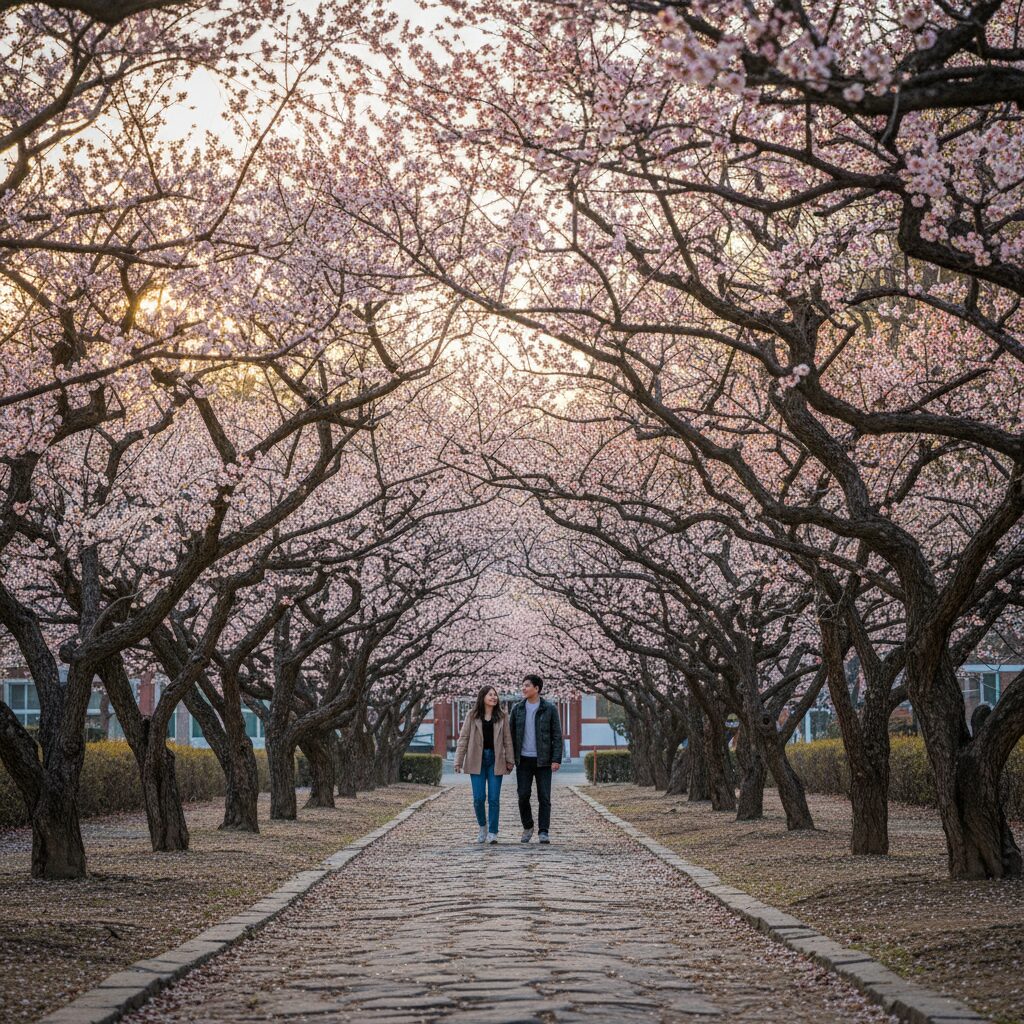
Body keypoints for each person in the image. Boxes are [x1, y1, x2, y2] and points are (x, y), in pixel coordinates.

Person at [454, 684, 515, 844]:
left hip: (495, 760)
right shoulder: (472, 715)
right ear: (482, 697)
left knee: (494, 798)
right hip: (476, 759)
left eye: (495, 695)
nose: (494, 697)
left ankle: (493, 832)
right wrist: (458, 760)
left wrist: (510, 760)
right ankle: (483, 826)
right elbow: (464, 738)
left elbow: (507, 740)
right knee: (478, 798)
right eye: (490, 695)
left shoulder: (502, 716)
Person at [510, 674, 562, 844]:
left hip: (544, 761)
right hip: (523, 760)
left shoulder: (550, 708)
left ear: (537, 688)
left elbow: (557, 735)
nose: (523, 688)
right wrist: (510, 759)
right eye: (522, 685)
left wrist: (556, 759)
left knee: (544, 797)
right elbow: (510, 737)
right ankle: (528, 826)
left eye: (527, 685)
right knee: (523, 795)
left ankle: (543, 831)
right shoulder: (517, 709)